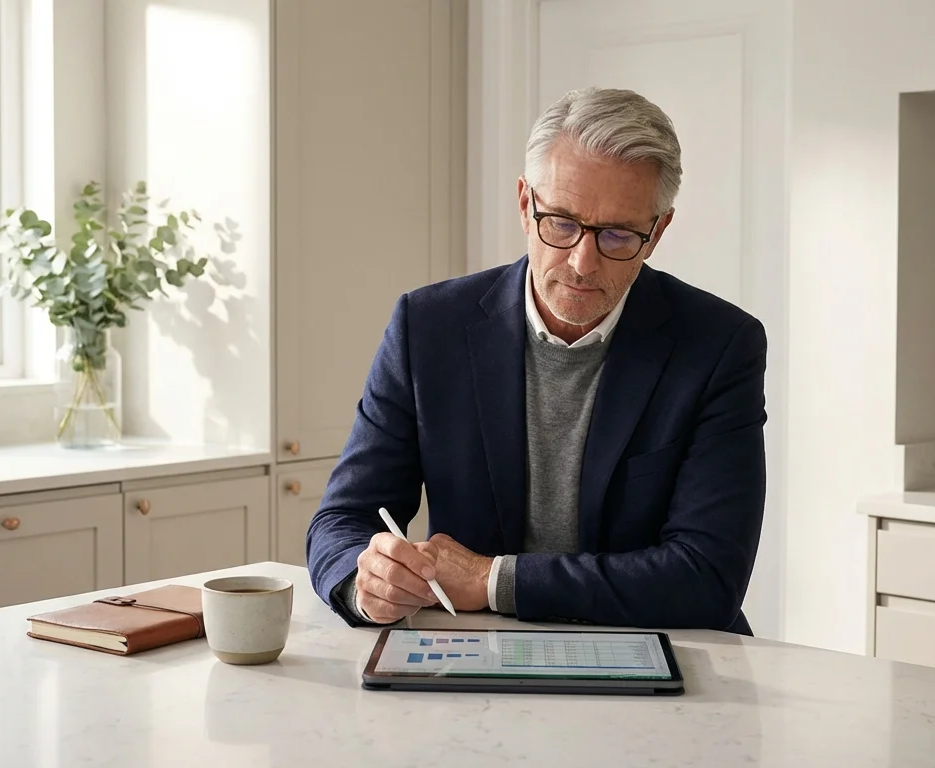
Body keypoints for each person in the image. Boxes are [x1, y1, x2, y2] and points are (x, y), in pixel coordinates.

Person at [305, 86, 768, 634]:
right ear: (525, 204)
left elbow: (707, 576)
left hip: (664, 652)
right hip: (478, 648)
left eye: (618, 234)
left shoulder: (719, 344)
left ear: (658, 231)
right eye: (562, 222)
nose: (581, 261)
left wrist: (493, 580)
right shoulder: (428, 327)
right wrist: (367, 585)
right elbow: (342, 519)